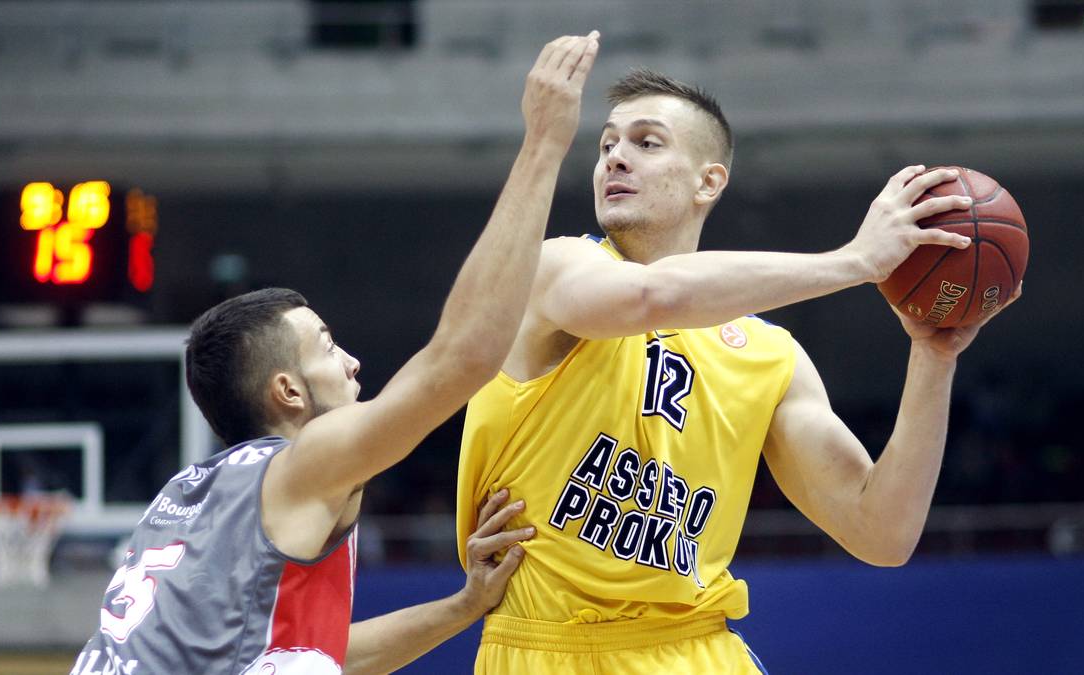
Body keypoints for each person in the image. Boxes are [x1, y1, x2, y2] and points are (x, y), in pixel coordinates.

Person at [456, 67, 1020, 673]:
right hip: (547, 650)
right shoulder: (553, 268)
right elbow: (651, 297)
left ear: (709, 181)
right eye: (607, 144)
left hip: (698, 651)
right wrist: (854, 262)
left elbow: (882, 532)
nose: (616, 158)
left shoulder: (769, 357)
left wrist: (933, 359)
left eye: (646, 143)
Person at [70, 31, 601, 675]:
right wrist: (544, 145)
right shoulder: (304, 461)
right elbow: (464, 357)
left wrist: (465, 607)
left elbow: (320, 657)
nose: (353, 362)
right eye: (327, 345)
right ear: (287, 392)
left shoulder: (191, 495)